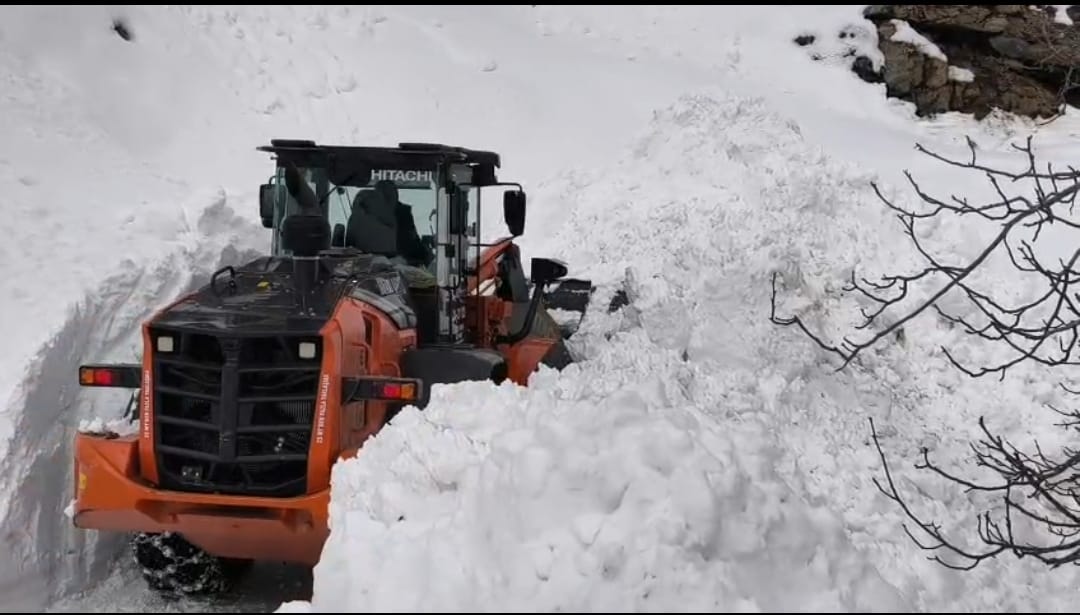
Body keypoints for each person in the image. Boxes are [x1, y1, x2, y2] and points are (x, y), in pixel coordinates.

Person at [374, 180, 433, 268]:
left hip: (402, 263)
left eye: (391, 193)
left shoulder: (403, 214)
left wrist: (423, 253)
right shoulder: (368, 214)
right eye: (385, 194)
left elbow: (411, 240)